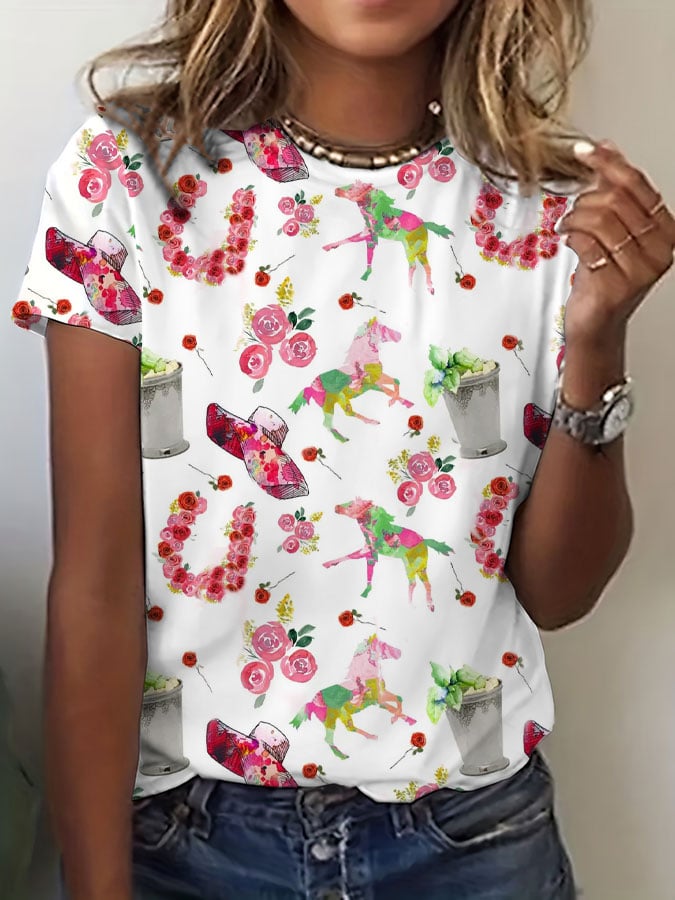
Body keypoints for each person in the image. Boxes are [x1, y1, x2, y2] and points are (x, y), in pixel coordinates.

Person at [10, 1, 675, 898]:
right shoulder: (128, 176)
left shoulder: (557, 207)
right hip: (185, 845)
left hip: (471, 844)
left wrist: (598, 340)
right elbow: (94, 586)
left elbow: (559, 593)